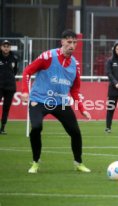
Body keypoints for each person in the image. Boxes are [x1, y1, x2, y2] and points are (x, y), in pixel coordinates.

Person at [21, 29, 91, 174]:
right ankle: (35, 162)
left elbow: (75, 90)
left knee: (75, 132)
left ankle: (78, 163)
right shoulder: (48, 56)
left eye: (74, 42)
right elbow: (27, 71)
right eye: (69, 42)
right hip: (39, 100)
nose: (72, 45)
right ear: (62, 41)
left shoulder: (75, 65)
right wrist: (25, 92)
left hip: (61, 103)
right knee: (37, 127)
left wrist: (82, 109)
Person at [0, 40, 18, 135]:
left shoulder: (14, 57)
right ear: (1, 47)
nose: (6, 48)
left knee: (6, 108)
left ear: (10, 47)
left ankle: (2, 128)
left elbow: (14, 71)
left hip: (10, 87)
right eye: (4, 46)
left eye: (8, 46)